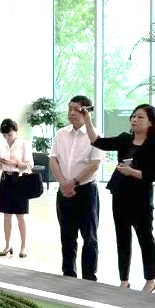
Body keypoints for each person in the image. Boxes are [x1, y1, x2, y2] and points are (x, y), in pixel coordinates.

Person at [83, 103, 155, 293]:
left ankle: (150, 280)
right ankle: (124, 280)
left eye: (140, 117)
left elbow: (154, 175)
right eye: (133, 116)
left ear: (151, 122)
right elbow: (97, 141)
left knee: (145, 238)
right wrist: (87, 120)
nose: (135, 120)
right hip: (120, 194)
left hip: (141, 198)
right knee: (122, 238)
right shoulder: (124, 139)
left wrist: (131, 171)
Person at [49, 95, 104, 280]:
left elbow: (95, 165)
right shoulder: (61, 133)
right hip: (64, 191)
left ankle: (89, 278)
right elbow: (53, 160)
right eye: (69, 109)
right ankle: (68, 275)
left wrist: (73, 182)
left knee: (89, 238)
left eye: (76, 109)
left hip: (86, 191)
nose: (71, 113)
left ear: (86, 112)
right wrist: (63, 183)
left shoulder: (95, 135)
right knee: (67, 236)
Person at [0, 118, 33, 258]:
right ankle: (7, 245)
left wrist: (14, 163)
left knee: (20, 215)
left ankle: (24, 246)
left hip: (19, 179)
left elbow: (29, 165)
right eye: (4, 135)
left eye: (9, 134)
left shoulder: (23, 144)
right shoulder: (2, 145)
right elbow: (0, 166)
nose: (7, 137)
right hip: (6, 179)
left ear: (15, 131)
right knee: (6, 215)